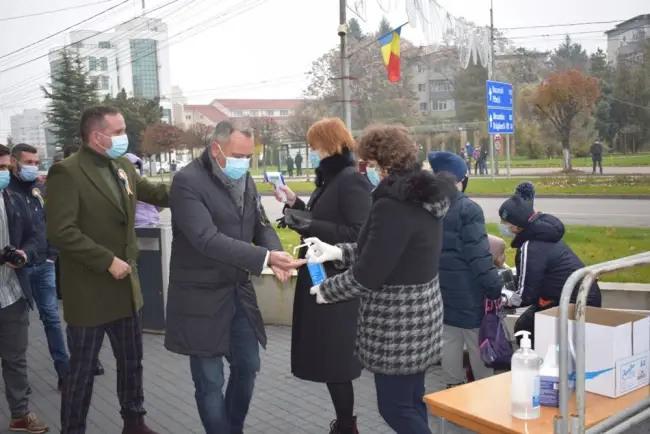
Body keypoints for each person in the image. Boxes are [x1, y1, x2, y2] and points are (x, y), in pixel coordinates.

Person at [307, 124, 456, 434]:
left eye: (370, 165)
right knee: (412, 400)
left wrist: (326, 289)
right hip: (422, 315)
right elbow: (383, 249)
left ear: (385, 163)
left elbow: (368, 275)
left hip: (397, 324)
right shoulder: (421, 196)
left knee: (395, 408)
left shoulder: (393, 204)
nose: (367, 172)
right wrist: (335, 252)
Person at [164, 120, 304, 434]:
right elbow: (205, 238)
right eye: (238, 154)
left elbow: (261, 223)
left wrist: (275, 253)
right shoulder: (187, 181)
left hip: (238, 291)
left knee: (248, 366)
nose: (245, 162)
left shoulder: (244, 180)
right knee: (210, 381)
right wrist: (264, 258)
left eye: (249, 155)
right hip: (200, 297)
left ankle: (232, 427)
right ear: (216, 149)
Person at [45, 106, 169, 434]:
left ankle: (134, 422)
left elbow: (154, 193)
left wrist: (196, 186)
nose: (122, 137)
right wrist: (106, 260)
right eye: (117, 131)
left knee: (131, 364)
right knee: (82, 372)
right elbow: (61, 231)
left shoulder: (123, 165)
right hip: (90, 293)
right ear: (96, 135)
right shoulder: (67, 172)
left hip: (126, 290)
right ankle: (73, 429)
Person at [274, 118, 372, 434]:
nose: (311, 152)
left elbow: (360, 234)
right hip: (320, 277)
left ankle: (347, 425)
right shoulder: (330, 179)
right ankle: (345, 423)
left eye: (314, 146)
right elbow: (323, 217)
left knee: (337, 359)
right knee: (330, 358)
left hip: (337, 283)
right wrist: (295, 204)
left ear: (329, 144)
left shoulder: (350, 180)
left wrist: (309, 226)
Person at [428, 151, 504, 388]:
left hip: (439, 286)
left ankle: (452, 388)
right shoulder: (468, 209)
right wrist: (494, 287)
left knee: (449, 338)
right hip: (469, 290)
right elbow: (479, 256)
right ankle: (485, 391)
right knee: (477, 340)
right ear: (460, 180)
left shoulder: (427, 206)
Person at [498, 181, 602, 347]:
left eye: (505, 222)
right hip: (585, 296)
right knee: (526, 325)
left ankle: (542, 366)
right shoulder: (544, 234)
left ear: (516, 226)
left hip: (573, 302)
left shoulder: (530, 246)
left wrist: (499, 296)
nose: (502, 226)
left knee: (525, 329)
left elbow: (524, 297)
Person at [8, 144, 69, 392]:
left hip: (44, 264)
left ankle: (65, 373)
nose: (33, 166)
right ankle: (19, 380)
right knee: (18, 327)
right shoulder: (7, 192)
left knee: (52, 318)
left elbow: (51, 221)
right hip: (17, 269)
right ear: (13, 162)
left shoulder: (38, 189)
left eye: (36, 162)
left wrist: (53, 254)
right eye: (28, 162)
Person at [0, 144, 49, 433]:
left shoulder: (13, 199)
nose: (4, 173)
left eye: (6, 168)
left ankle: (20, 414)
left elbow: (35, 235)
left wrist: (24, 254)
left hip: (12, 294)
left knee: (16, 359)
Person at [125, 153, 161, 227]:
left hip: (154, 224)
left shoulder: (145, 185)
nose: (136, 170)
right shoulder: (124, 187)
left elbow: (157, 204)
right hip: (137, 227)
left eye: (137, 167)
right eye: (133, 167)